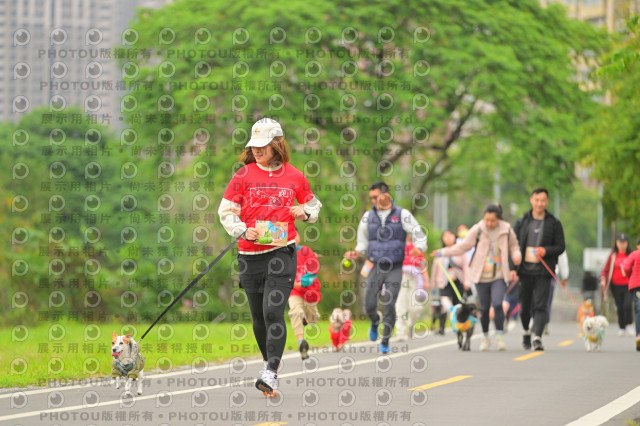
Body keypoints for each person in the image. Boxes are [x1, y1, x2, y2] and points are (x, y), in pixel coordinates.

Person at [218, 117, 322, 397]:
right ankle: (268, 363)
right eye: (254, 145)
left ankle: (271, 374)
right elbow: (226, 211)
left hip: (281, 253)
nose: (257, 150)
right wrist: (242, 229)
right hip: (249, 254)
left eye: (262, 145)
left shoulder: (295, 176)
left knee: (272, 312)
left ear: (277, 144)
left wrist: (304, 212)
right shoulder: (243, 175)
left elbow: (313, 206)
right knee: (258, 317)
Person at [343, 181, 427, 354]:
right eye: (371, 198)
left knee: (390, 303)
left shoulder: (402, 214)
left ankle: (386, 340)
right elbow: (362, 242)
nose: (373, 201)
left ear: (386, 195)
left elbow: (418, 234)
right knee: (369, 305)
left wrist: (419, 247)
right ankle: (375, 321)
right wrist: (357, 252)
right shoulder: (368, 216)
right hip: (375, 265)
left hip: (395, 267)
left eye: (376, 197)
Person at [432, 204, 521, 351]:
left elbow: (514, 246)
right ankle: (485, 337)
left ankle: (499, 336)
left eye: (492, 220)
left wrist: (516, 255)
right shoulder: (478, 229)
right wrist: (443, 252)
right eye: (487, 220)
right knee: (484, 308)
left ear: (498, 219)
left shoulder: (506, 229)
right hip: (481, 275)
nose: (489, 223)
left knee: (497, 303)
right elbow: (463, 246)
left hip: (499, 274)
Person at [513, 187, 565, 351]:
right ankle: (526, 332)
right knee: (525, 306)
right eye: (537, 200)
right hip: (524, 271)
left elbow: (561, 247)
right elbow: (513, 246)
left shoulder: (554, 223)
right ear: (531, 200)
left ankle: (538, 337)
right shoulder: (522, 222)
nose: (539, 203)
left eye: (543, 200)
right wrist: (513, 267)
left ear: (547, 201)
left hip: (544, 271)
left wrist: (545, 251)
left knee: (541, 306)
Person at [288, 230, 321, 360]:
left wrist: (301, 283)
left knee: (313, 319)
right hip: (294, 291)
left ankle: (306, 318)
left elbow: (313, 271)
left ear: (299, 236)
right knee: (295, 311)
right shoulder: (283, 254)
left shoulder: (306, 251)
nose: (292, 238)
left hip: (310, 290)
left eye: (294, 235)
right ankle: (301, 342)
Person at [429, 230, 470, 336]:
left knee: (458, 304)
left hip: (458, 283)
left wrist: (467, 281)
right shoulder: (439, 252)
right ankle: (442, 327)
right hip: (444, 283)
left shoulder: (460, 251)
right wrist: (433, 283)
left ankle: (459, 325)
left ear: (454, 237)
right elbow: (435, 269)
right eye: (445, 236)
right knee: (445, 303)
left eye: (450, 235)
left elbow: (466, 267)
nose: (448, 238)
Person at [395, 235, 429, 340]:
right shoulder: (397, 246)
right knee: (401, 304)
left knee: (415, 307)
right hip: (401, 277)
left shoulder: (417, 247)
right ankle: (400, 331)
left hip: (415, 279)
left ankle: (411, 325)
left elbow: (423, 264)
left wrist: (426, 280)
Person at [601, 233, 634, 336]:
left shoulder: (631, 255)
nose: (622, 244)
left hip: (628, 284)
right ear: (616, 243)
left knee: (627, 305)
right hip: (615, 285)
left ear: (627, 243)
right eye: (620, 242)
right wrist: (603, 278)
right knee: (619, 306)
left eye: (624, 242)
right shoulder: (613, 255)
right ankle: (622, 327)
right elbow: (606, 269)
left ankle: (629, 324)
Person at [623, 238, 640, 350]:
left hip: (637, 286)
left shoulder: (634, 254)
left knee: (638, 310)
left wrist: (630, 276)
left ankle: (639, 335)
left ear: (638, 245)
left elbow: (626, 267)